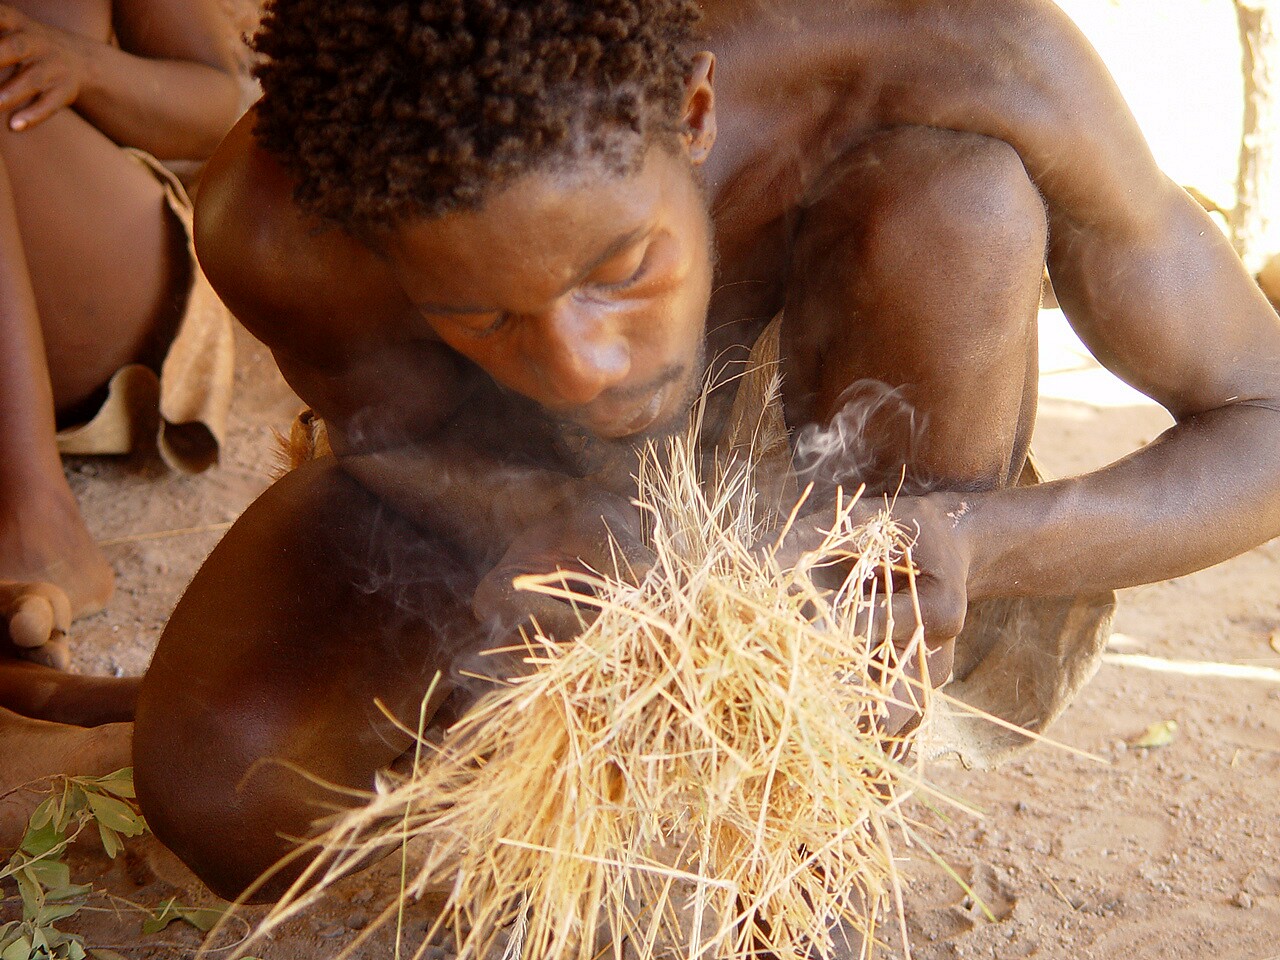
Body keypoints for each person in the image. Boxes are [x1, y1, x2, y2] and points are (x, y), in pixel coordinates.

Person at [126, 0, 1280, 903]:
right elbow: (393, 446)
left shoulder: (968, 52)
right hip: (520, 487)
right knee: (219, 779)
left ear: (691, 110)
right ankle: (592, 843)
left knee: (956, 198)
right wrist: (523, 517)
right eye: (481, 316)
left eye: (620, 269)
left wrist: (973, 542)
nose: (582, 367)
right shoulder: (277, 220)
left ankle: (814, 817)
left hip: (853, 463)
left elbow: (1262, 423)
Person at [0, 0, 241, 824]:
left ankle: (41, 520)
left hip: (103, 278)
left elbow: (222, 102)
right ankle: (40, 696)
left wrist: (80, 62)